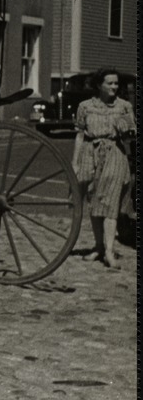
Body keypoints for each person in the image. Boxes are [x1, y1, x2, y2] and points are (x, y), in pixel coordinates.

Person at [73, 68, 135, 269]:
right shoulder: (85, 106)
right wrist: (75, 162)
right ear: (99, 85)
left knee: (109, 202)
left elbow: (129, 138)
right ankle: (98, 246)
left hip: (115, 154)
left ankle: (109, 251)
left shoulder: (125, 107)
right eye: (110, 83)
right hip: (90, 154)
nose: (114, 87)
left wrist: (125, 129)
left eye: (117, 84)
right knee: (94, 200)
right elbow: (80, 135)